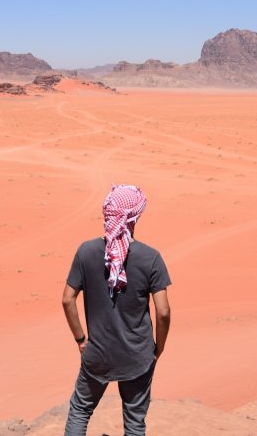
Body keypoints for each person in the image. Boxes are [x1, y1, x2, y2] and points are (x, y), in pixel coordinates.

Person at [61, 184, 172, 436]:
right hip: (137, 355)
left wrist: (81, 339)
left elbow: (68, 299)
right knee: (134, 423)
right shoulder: (151, 258)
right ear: (135, 216)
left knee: (80, 410)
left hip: (97, 353)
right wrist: (159, 347)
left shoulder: (86, 251)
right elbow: (163, 311)